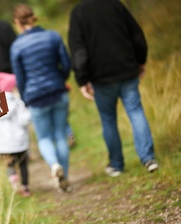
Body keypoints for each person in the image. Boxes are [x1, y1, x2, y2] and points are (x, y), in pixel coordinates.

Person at [68, 0, 159, 177]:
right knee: (135, 111)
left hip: (101, 77)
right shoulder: (115, 5)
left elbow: (78, 50)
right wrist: (140, 61)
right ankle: (149, 159)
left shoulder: (78, 13)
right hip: (126, 69)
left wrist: (82, 79)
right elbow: (137, 36)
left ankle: (117, 165)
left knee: (108, 119)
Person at [10, 4, 72, 192]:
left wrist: (25, 97)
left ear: (17, 22)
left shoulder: (16, 46)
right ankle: (65, 179)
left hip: (35, 98)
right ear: (33, 18)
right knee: (61, 135)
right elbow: (66, 64)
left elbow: (20, 78)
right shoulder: (53, 36)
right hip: (58, 92)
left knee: (44, 137)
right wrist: (60, 81)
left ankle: (54, 165)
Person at [0, 72, 31, 197]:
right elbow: (24, 120)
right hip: (20, 141)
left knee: (9, 164)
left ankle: (13, 180)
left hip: (4, 144)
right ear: (12, 88)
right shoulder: (18, 102)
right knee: (23, 164)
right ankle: (25, 187)